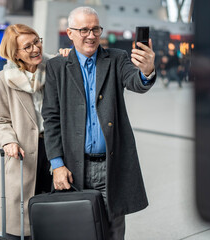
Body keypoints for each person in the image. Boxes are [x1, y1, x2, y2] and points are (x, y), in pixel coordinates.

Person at [42, 6, 156, 240]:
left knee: (114, 231)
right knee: (79, 231)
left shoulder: (116, 58)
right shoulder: (57, 67)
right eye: (84, 29)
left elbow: (135, 81)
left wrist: (147, 70)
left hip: (111, 165)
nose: (91, 35)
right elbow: (51, 118)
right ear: (70, 33)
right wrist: (57, 164)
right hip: (74, 166)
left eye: (95, 29)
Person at [0, 24, 70, 240]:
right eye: (28, 46)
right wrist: (8, 141)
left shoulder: (55, 67)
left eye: (37, 41)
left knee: (55, 213)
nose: (36, 48)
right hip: (22, 153)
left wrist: (67, 57)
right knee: (18, 222)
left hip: (54, 147)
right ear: (15, 53)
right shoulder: (1, 81)